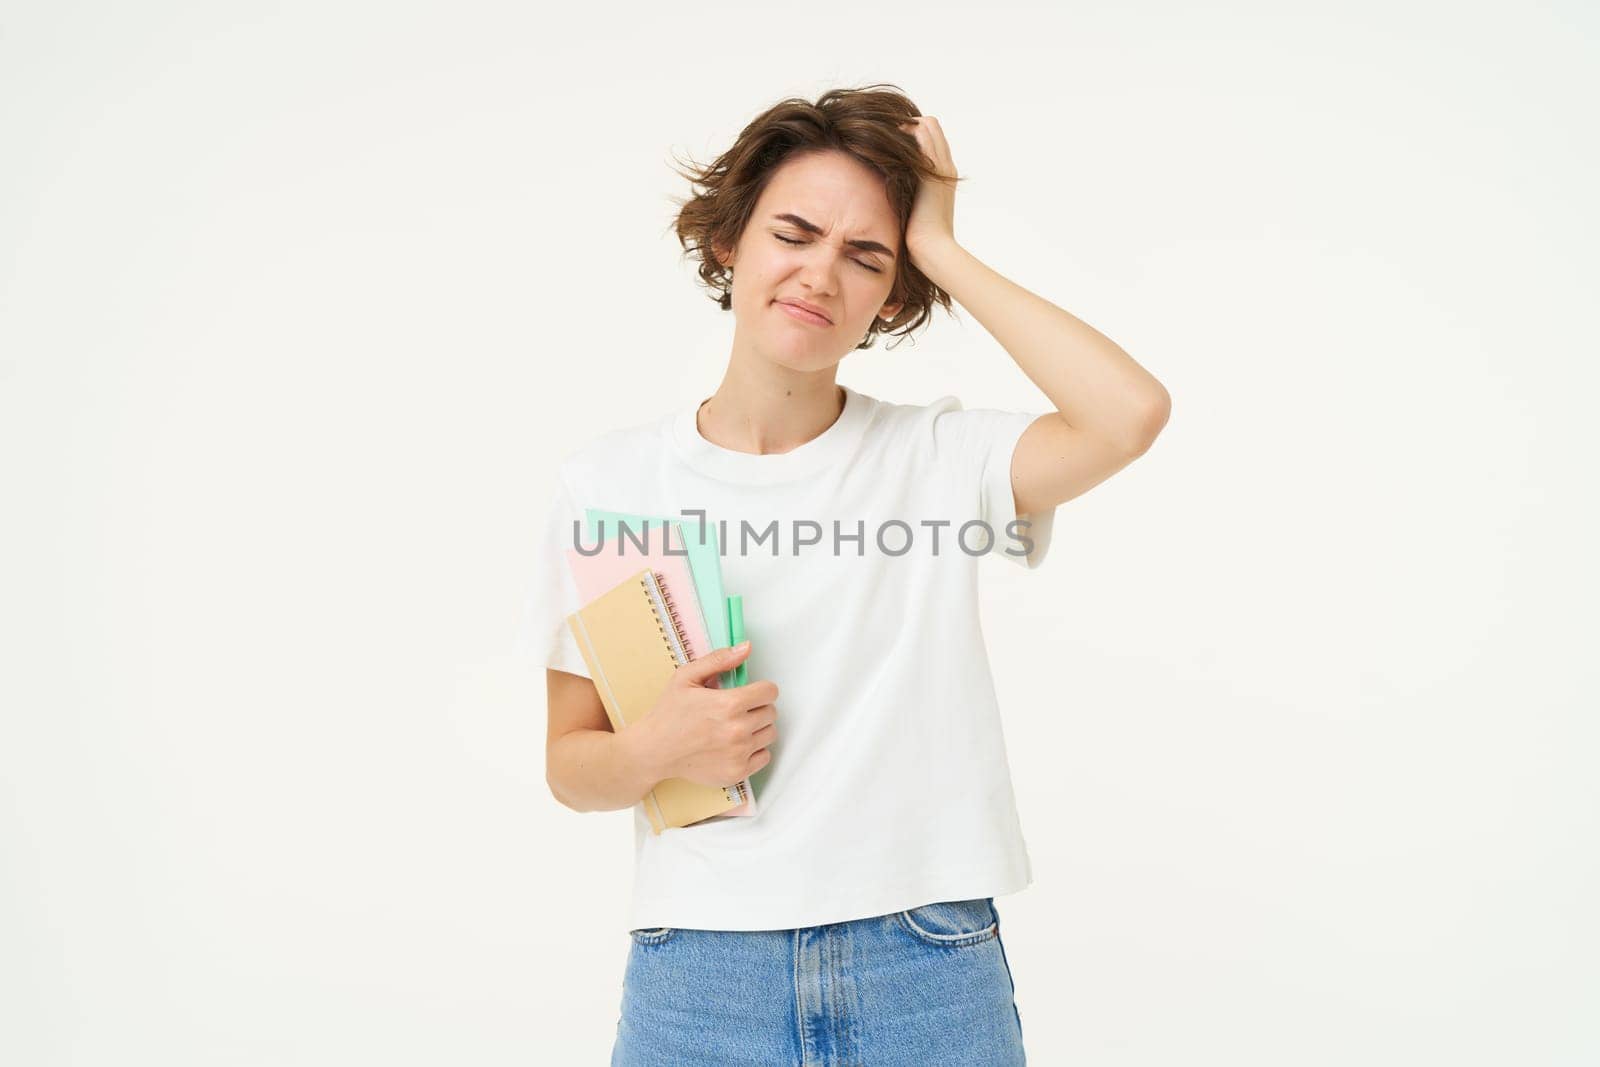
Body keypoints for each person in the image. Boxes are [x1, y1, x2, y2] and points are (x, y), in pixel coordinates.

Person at [535, 84, 1170, 1066]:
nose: (821, 272)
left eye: (866, 255)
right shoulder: (612, 480)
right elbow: (570, 763)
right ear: (729, 244)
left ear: (894, 296)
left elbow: (1126, 415)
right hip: (699, 973)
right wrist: (653, 747)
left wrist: (946, 251)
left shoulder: (938, 458)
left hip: (924, 962)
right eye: (793, 232)